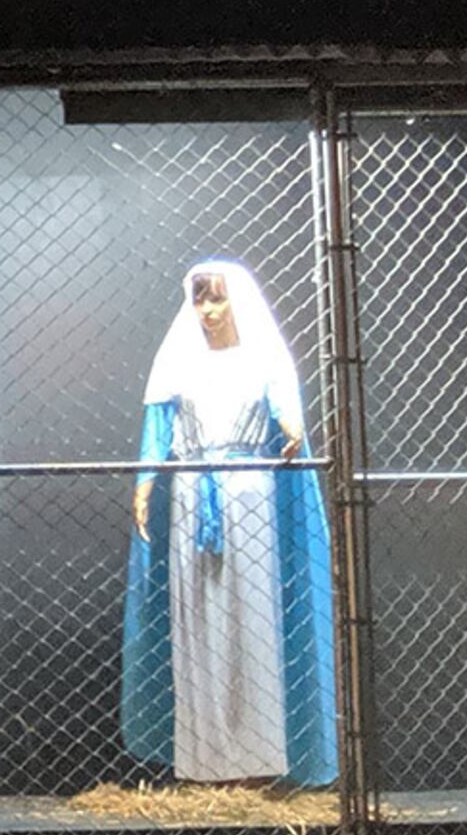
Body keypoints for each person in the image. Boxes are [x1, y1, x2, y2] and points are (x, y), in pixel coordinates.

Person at [120, 257, 336, 787]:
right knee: (196, 614)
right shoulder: (178, 364)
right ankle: (206, 760)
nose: (208, 310)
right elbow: (158, 428)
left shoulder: (263, 359)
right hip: (192, 495)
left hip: (249, 493)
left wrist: (291, 426)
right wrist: (145, 484)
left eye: (217, 298)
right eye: (199, 298)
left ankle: (259, 758)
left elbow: (286, 411)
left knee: (252, 614)